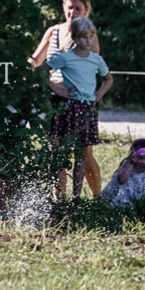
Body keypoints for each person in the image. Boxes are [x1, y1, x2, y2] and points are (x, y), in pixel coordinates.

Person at [29, 0, 104, 196]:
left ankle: (98, 198)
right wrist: (24, 70)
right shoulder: (53, 31)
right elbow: (36, 60)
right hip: (53, 97)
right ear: (64, 7)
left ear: (86, 10)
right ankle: (59, 198)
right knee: (56, 150)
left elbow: (92, 66)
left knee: (85, 153)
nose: (72, 12)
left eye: (78, 8)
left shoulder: (89, 34)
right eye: (70, 7)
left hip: (79, 98)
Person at [39, 17, 114, 198]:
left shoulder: (96, 60)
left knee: (82, 153)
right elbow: (42, 69)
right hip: (69, 108)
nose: (88, 41)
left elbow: (109, 79)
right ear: (74, 37)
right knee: (63, 149)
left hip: (87, 109)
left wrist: (98, 95)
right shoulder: (65, 57)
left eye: (91, 36)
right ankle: (60, 194)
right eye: (83, 37)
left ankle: (77, 196)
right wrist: (58, 89)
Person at [100, 139, 145, 208]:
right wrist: (131, 163)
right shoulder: (128, 162)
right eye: (140, 158)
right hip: (127, 197)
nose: (143, 162)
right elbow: (121, 180)